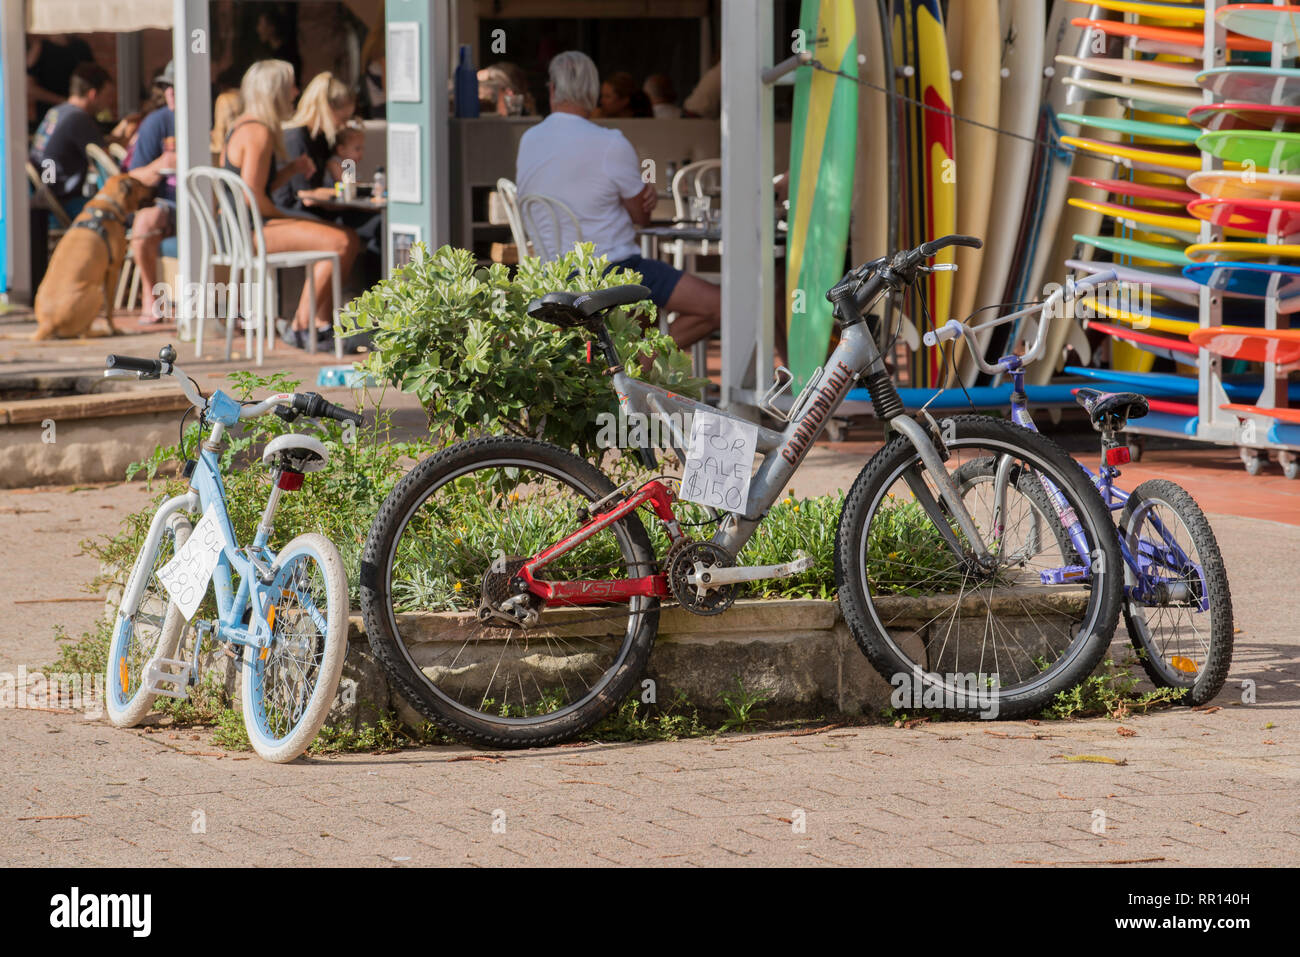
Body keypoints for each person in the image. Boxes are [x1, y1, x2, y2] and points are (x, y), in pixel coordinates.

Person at [516, 51, 719, 349]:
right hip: (612, 272)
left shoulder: (529, 139)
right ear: (594, 93)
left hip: (551, 273)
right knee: (716, 305)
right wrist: (644, 198)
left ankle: (625, 370)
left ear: (552, 90)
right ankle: (635, 366)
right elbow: (642, 219)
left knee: (647, 304)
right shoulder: (611, 142)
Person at [221, 60, 358, 350]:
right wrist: (287, 216)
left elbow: (255, 187)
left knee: (338, 238)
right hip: (251, 230)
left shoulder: (241, 126)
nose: (296, 92)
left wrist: (290, 170)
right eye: (291, 86)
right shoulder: (258, 132)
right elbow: (252, 198)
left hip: (240, 227)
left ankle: (316, 325)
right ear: (275, 92)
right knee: (343, 241)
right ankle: (303, 327)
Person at [127, 61, 179, 324]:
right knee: (144, 222)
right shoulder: (156, 122)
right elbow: (134, 176)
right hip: (169, 204)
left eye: (177, 86)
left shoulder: (211, 118)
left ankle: (232, 307)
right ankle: (151, 297)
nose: (170, 92)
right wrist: (162, 164)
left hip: (211, 202)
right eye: (167, 86)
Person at [29, 61, 117, 219]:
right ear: (92, 94)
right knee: (116, 214)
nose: (110, 102)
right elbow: (106, 162)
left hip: (42, 196)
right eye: (108, 96)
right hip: (60, 204)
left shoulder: (57, 112)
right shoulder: (79, 118)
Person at [273, 71, 356, 211]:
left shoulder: (322, 138)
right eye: (343, 119)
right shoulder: (295, 137)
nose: (345, 125)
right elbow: (306, 196)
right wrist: (351, 193)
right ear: (326, 109)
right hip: (292, 211)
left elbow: (340, 176)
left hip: (313, 209)